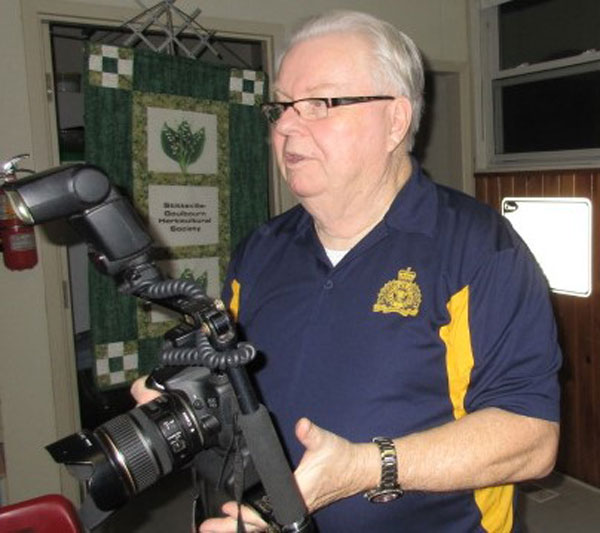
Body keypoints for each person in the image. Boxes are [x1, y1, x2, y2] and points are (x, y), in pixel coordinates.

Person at [133, 10, 561, 532]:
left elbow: (531, 438)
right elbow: (239, 388)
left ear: (395, 121)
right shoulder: (259, 251)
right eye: (281, 106)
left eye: (320, 103)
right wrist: (189, 404)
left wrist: (365, 468)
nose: (286, 125)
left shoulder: (481, 250)